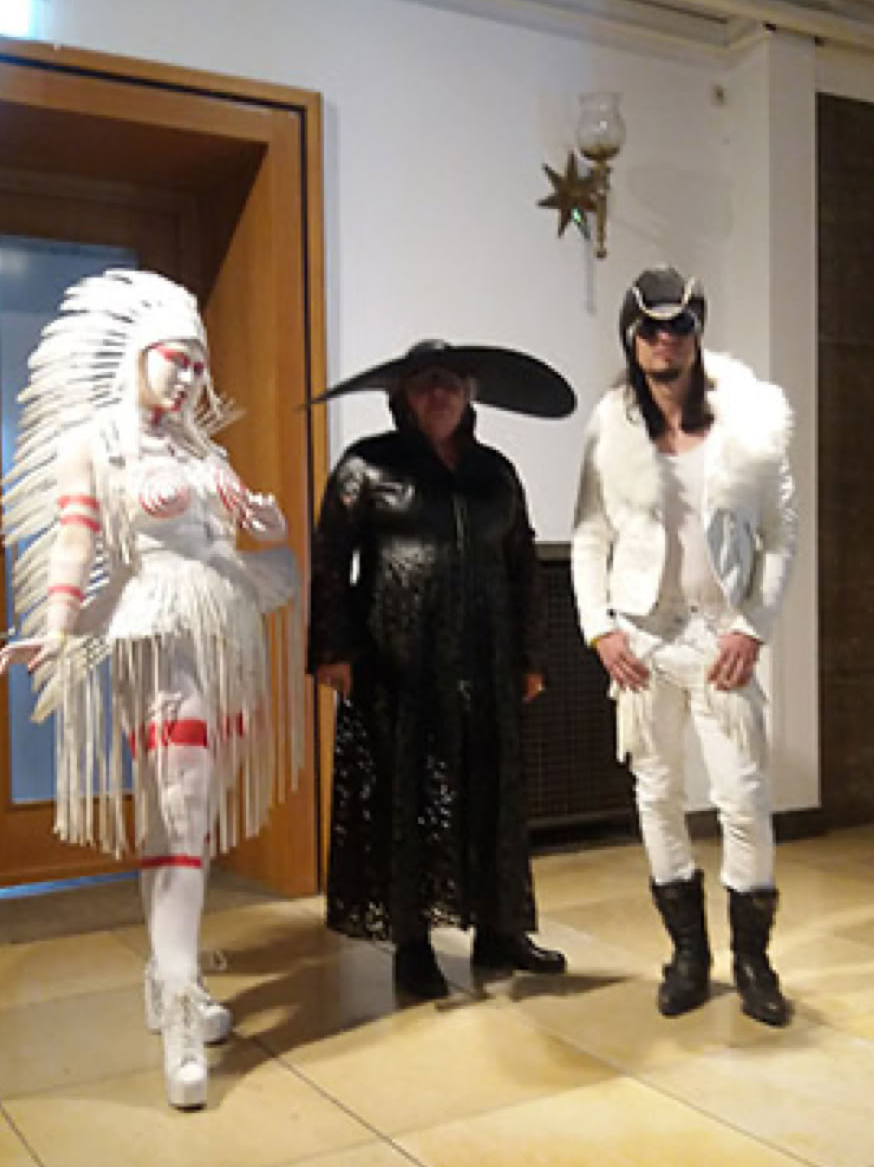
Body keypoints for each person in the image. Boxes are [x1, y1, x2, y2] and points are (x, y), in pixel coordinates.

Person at [0, 269, 302, 1108]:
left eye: (198, 365)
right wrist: (57, 626)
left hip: (226, 631)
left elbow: (244, 533)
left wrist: (271, 527)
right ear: (138, 355)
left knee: (190, 818)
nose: (188, 377)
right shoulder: (97, 443)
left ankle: (173, 976)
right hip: (155, 631)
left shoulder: (205, 452)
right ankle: (176, 1007)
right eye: (175, 359)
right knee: (177, 803)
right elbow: (76, 543)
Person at [307, 338, 575, 998]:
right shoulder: (366, 465)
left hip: (487, 659)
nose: (439, 394)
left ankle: (501, 931)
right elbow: (330, 560)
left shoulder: (496, 472)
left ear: (469, 395)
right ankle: (413, 945)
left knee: (494, 792)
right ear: (402, 395)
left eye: (451, 383)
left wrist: (531, 656)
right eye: (426, 382)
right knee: (409, 799)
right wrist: (333, 651)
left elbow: (522, 566)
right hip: (399, 661)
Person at [571, 267, 797, 1026]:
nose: (664, 339)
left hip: (720, 637)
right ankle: (689, 956)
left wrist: (752, 626)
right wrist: (599, 627)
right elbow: (589, 534)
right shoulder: (611, 424)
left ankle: (753, 963)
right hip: (640, 638)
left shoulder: (749, 420)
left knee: (743, 797)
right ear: (631, 339)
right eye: (650, 327)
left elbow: (781, 534)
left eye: (679, 325)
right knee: (657, 794)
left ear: (697, 332)